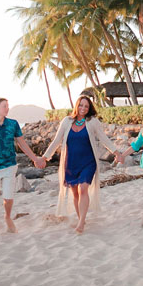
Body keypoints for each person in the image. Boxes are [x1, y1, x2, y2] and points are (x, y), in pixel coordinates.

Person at [42, 95, 120, 234]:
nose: (83, 108)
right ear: (76, 106)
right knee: (75, 193)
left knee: (83, 189)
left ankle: (81, 222)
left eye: (86, 106)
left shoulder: (92, 122)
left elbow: (103, 138)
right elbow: (56, 141)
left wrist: (116, 152)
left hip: (88, 162)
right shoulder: (67, 121)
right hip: (71, 163)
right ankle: (80, 219)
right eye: (81, 105)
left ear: (89, 109)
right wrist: (45, 157)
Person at [0, 97, 43, 239]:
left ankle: (7, 217)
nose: (7, 108)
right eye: (4, 106)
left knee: (8, 197)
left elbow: (22, 144)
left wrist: (35, 158)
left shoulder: (13, 124)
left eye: (7, 106)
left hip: (9, 167)